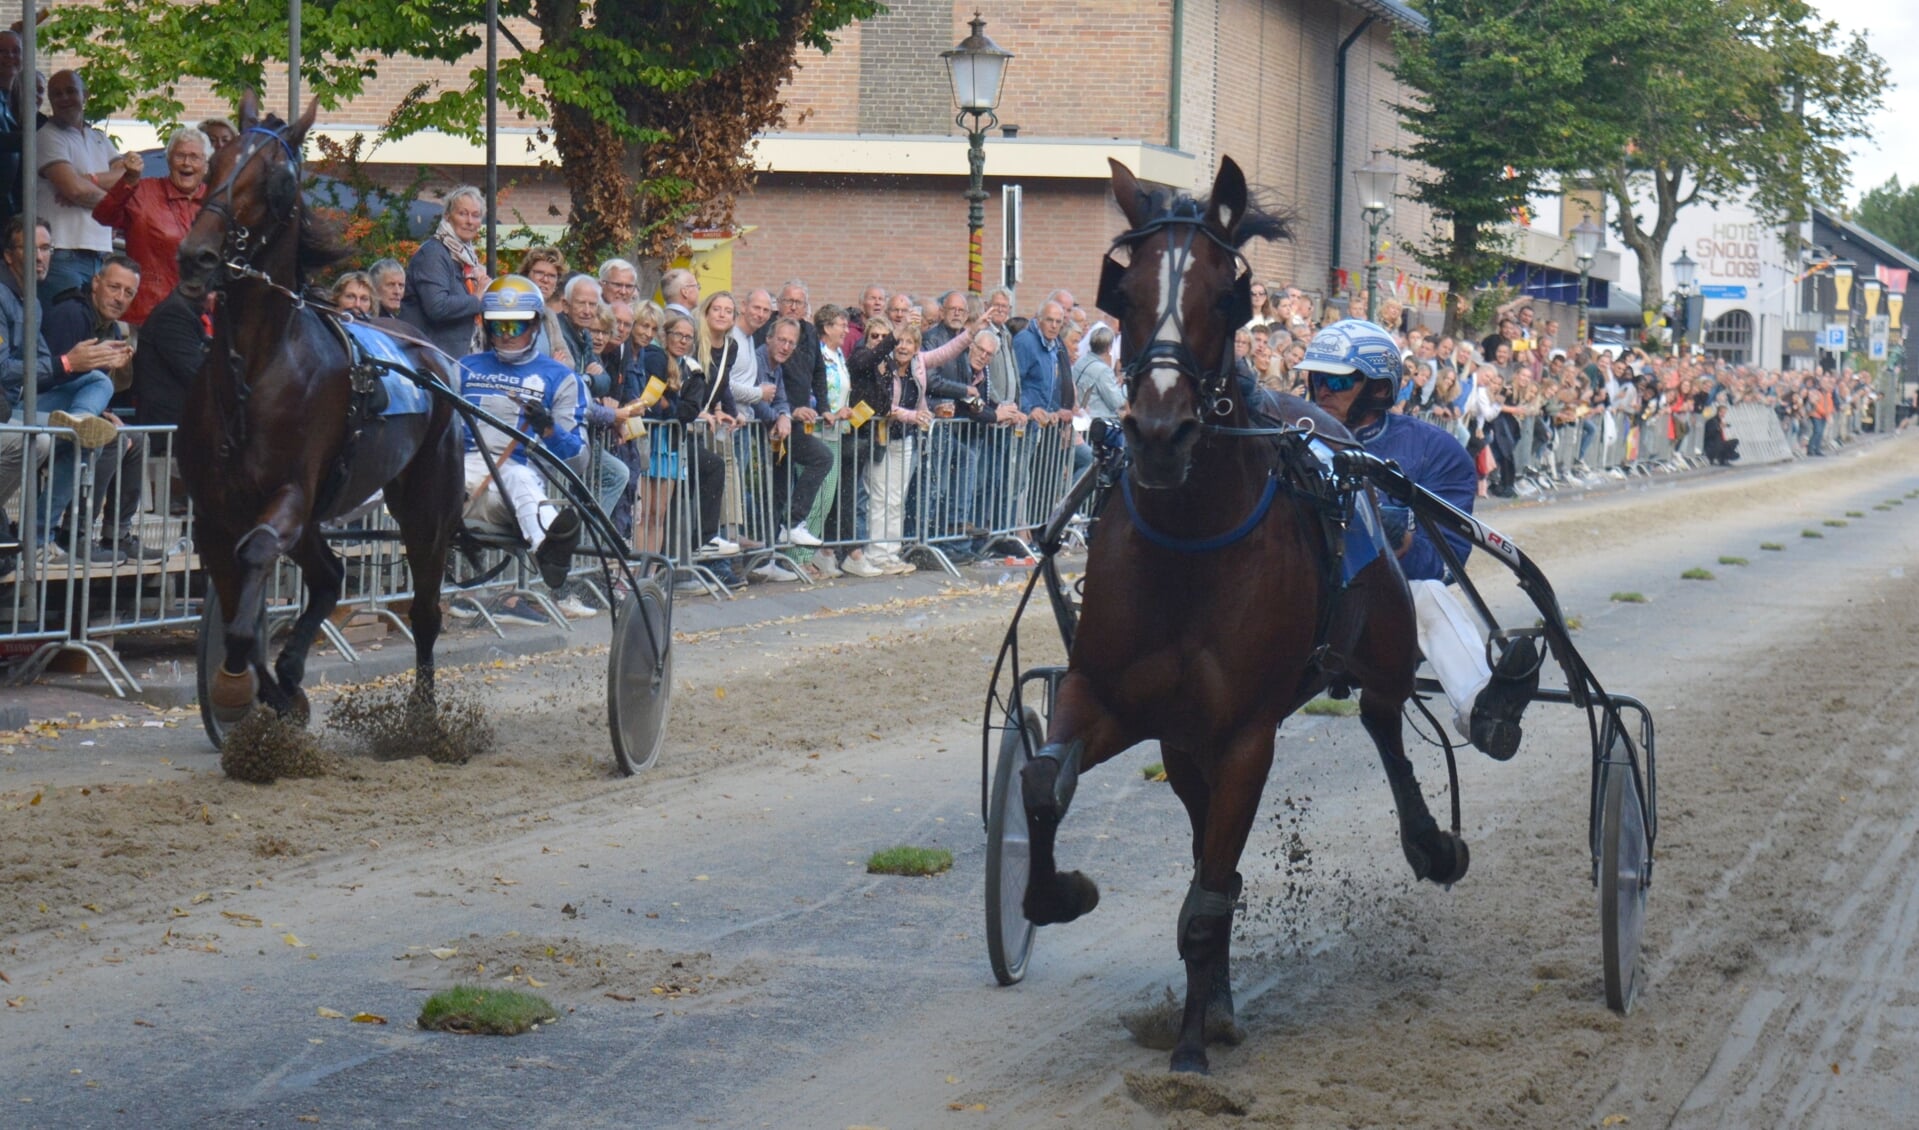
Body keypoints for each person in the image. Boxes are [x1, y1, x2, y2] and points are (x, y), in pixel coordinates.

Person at [1299, 319, 1538, 760]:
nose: (1322, 391)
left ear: (1377, 388)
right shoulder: (1287, 435)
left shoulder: (1436, 452)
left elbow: (1442, 564)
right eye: (1315, 378)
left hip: (1374, 606)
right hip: (1295, 597)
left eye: (1337, 379)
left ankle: (1482, 711)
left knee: (1426, 595)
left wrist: (1400, 536)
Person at [454, 274, 581, 593]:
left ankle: (551, 548)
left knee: (518, 478)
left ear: (535, 325)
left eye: (516, 326)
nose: (506, 335)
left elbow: (579, 460)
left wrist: (548, 428)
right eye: (498, 326)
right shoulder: (464, 368)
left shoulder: (561, 378)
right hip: (461, 477)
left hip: (514, 484)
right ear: (486, 327)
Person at [88, 127, 207, 326]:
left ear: (206, 165)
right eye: (180, 156)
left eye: (194, 157)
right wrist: (129, 180)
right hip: (148, 312)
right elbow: (103, 215)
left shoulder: (216, 202)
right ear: (168, 160)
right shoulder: (143, 191)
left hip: (199, 315)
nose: (187, 163)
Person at [35, 70, 127, 300]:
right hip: (63, 253)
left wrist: (88, 181)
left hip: (100, 254)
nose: (64, 98)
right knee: (65, 328)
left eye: (71, 91)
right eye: (56, 94)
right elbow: (74, 190)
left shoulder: (99, 139)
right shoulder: (47, 136)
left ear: (84, 95)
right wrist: (111, 201)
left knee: (90, 330)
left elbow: (128, 175)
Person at [400, 184, 490, 361]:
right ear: (448, 216)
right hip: (430, 363)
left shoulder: (467, 258)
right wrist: (477, 299)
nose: (470, 221)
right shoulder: (433, 253)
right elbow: (437, 307)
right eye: (462, 214)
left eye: (476, 215)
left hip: (457, 359)